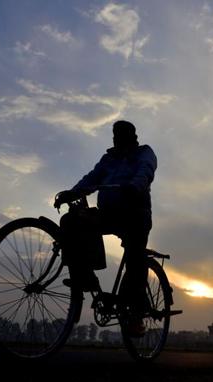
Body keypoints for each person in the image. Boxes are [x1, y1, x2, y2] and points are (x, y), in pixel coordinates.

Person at [54, 120, 157, 337]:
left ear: (132, 136)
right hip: (109, 213)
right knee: (71, 221)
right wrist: (71, 193)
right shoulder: (108, 159)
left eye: (120, 134)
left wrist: (135, 186)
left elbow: (145, 171)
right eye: (114, 135)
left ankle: (136, 315)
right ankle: (84, 277)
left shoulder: (144, 153)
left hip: (135, 215)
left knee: (135, 258)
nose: (116, 138)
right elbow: (92, 179)